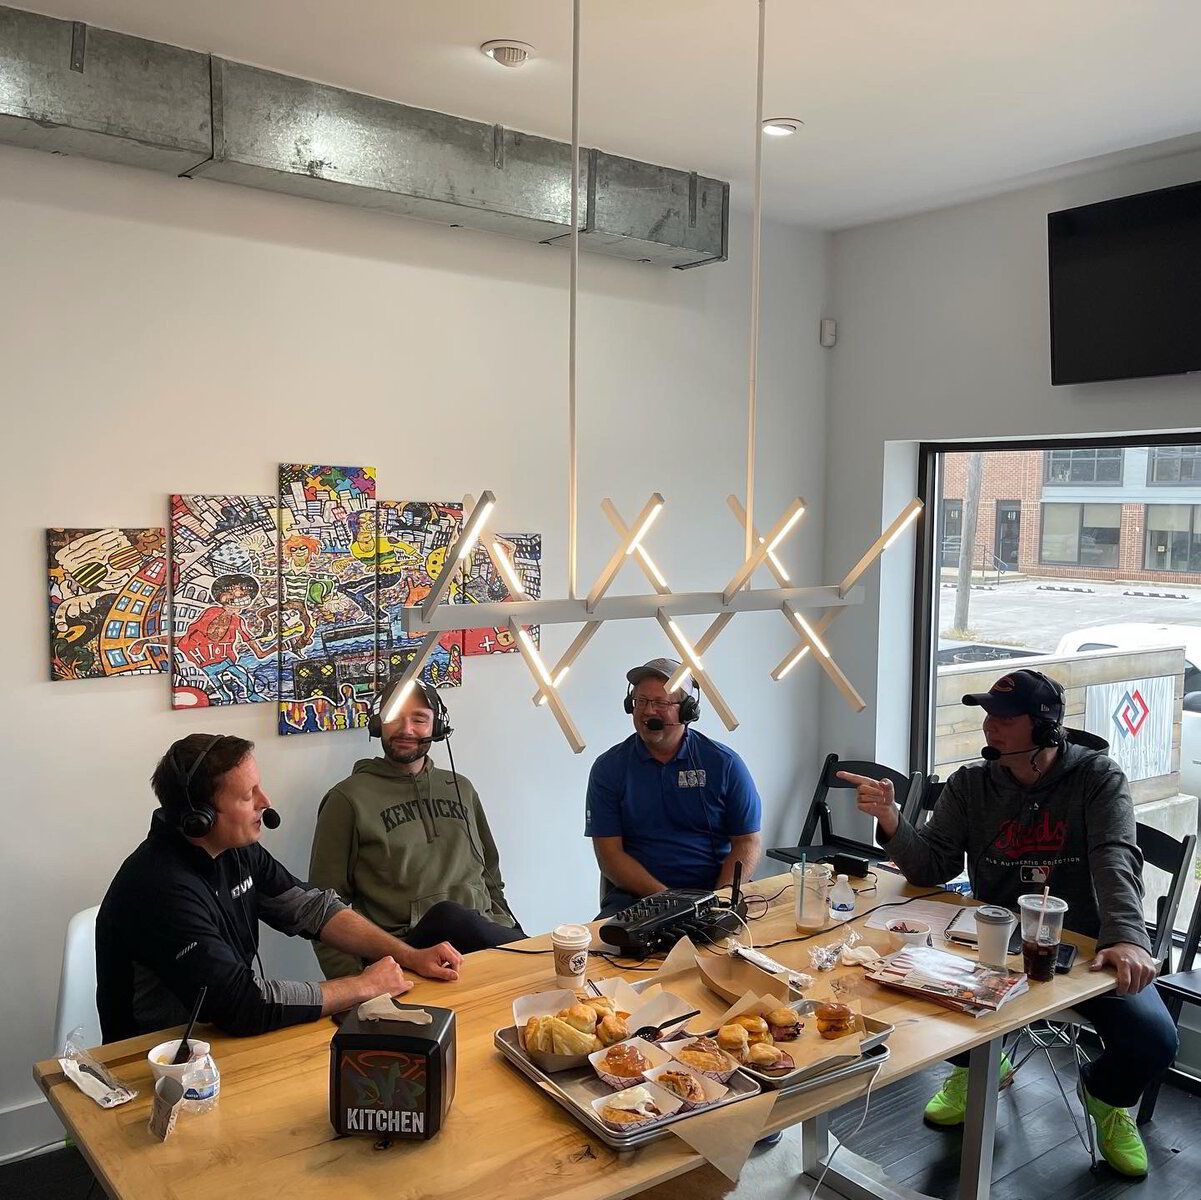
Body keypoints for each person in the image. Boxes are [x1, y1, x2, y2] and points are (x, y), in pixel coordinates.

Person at [840, 668, 1178, 1178]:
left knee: (1155, 1040)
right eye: (986, 715)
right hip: (990, 941)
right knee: (919, 986)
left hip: (1085, 946)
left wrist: (1127, 937)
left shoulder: (1097, 778)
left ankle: (1107, 1099)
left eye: (1003, 717)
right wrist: (890, 817)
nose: (988, 727)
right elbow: (932, 865)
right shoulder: (971, 783)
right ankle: (977, 1068)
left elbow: (1116, 857)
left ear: (1044, 727)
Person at [96, 733, 462, 1043]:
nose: (265, 802)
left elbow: (313, 910)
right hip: (157, 1063)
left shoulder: (236, 851)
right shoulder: (160, 888)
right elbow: (242, 1004)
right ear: (200, 817)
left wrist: (409, 955)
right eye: (246, 796)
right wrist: (364, 986)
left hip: (217, 1043)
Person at [308, 677, 522, 979]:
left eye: (419, 719)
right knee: (449, 916)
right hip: (407, 954)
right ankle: (540, 954)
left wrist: (508, 925)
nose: (406, 730)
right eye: (394, 717)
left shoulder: (460, 788)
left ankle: (537, 954)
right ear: (377, 722)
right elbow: (323, 907)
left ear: (437, 727)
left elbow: (490, 876)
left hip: (480, 944)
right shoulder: (347, 800)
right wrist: (354, 987)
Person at [586, 657, 763, 920]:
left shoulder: (724, 764)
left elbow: (747, 841)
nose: (647, 711)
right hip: (637, 899)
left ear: (688, 710)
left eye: (660, 703)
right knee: (602, 954)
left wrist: (723, 897)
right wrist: (671, 902)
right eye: (641, 701)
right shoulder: (608, 768)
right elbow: (610, 855)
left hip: (712, 895)